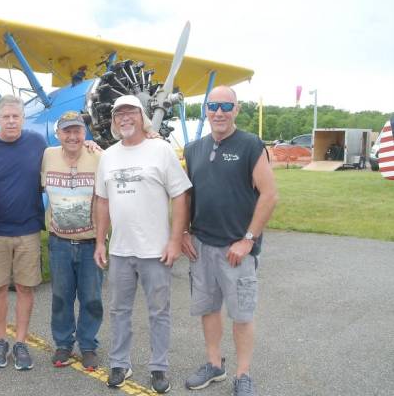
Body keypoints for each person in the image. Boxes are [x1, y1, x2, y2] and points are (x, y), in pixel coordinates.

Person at [182, 86, 278, 396]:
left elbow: (269, 194)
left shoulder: (251, 145)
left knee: (242, 315)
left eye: (227, 105)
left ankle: (243, 374)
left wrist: (248, 239)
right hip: (202, 245)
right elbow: (187, 195)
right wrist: (184, 232)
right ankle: (214, 365)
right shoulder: (193, 148)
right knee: (209, 309)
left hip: (236, 249)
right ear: (206, 110)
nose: (219, 112)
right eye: (213, 105)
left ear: (237, 110)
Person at [94, 94, 192, 393]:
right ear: (113, 121)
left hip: (156, 250)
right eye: (118, 114)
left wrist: (175, 240)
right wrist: (100, 241)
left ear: (141, 117)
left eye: (130, 113)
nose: (125, 118)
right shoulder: (108, 156)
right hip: (120, 250)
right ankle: (120, 363)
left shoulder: (160, 150)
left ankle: (159, 367)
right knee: (118, 310)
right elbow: (102, 200)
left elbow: (181, 195)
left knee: (158, 311)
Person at [0, 94, 46, 371]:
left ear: (23, 118)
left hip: (28, 229)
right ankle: (1, 339)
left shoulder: (37, 143)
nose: (11, 121)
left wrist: (91, 145)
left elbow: (66, 152)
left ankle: (20, 342)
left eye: (15, 116)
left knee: (26, 288)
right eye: (5, 117)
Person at [41, 111, 103, 371]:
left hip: (91, 242)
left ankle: (88, 346)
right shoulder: (48, 155)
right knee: (61, 297)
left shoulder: (99, 156)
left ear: (85, 133)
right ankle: (64, 344)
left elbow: (104, 200)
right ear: (58, 134)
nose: (72, 136)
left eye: (77, 130)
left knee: (91, 298)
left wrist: (102, 242)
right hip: (59, 243)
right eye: (67, 131)